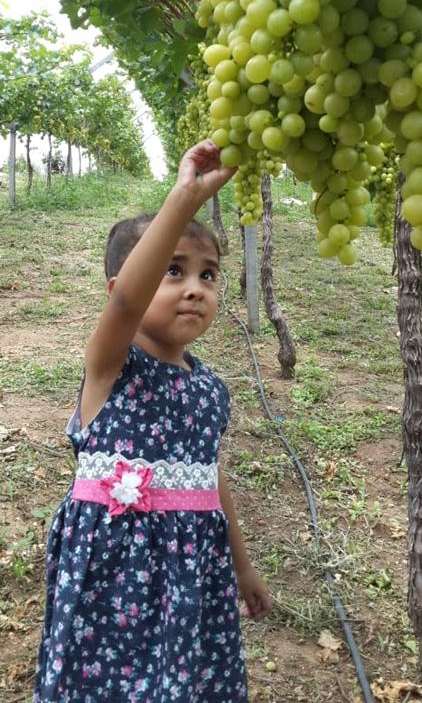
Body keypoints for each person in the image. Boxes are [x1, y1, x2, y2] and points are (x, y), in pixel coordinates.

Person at [34, 139, 271, 702]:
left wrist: (241, 566)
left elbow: (210, 479)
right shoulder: (111, 367)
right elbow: (125, 307)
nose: (195, 288)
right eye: (173, 270)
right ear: (123, 286)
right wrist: (184, 200)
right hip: (113, 575)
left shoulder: (210, 388)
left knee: (178, 678)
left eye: (208, 275)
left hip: (189, 573)